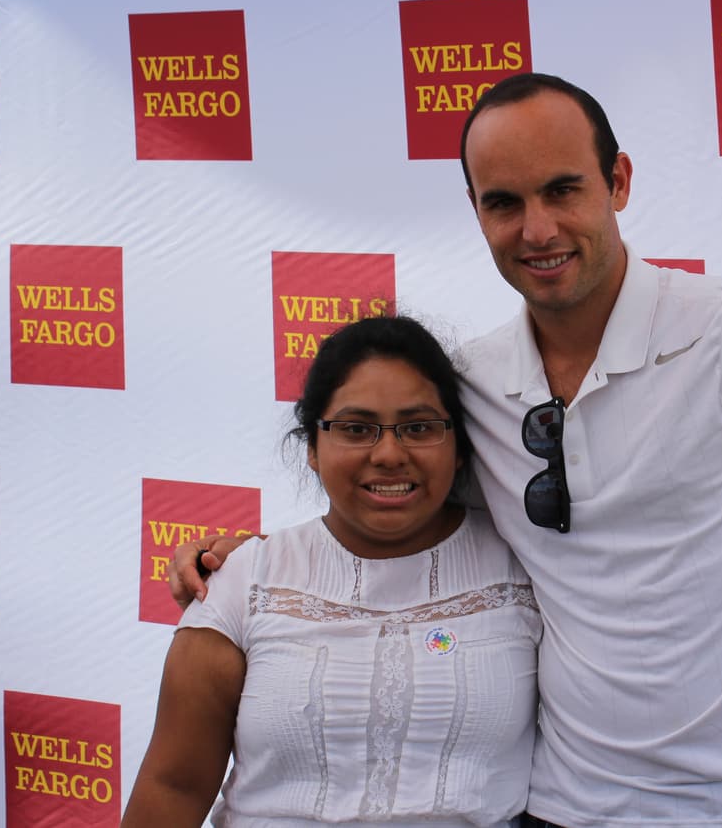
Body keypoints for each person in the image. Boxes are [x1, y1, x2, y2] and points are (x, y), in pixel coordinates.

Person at [174, 73, 722, 828]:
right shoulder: (472, 386)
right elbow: (392, 516)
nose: (538, 230)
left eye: (562, 190)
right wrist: (245, 567)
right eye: (505, 203)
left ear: (618, 182)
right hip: (557, 807)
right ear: (476, 211)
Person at [128, 316, 541, 827]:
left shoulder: (529, 573)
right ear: (311, 447)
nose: (388, 454)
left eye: (419, 427)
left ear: (459, 447)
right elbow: (174, 786)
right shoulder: (245, 584)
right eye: (356, 429)